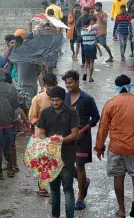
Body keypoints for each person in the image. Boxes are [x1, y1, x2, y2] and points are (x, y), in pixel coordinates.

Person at [94, 75, 134, 218]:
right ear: (130, 85)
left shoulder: (110, 104)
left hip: (117, 147)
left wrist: (99, 147)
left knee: (118, 177)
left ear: (116, 87)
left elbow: (103, 128)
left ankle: (121, 210)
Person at [36, 86, 80, 218]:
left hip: (67, 158)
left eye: (58, 100)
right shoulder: (45, 112)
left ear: (63, 100)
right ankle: (55, 215)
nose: (55, 103)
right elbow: (41, 132)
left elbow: (75, 134)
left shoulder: (72, 112)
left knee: (68, 190)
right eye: (53, 100)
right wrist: (48, 140)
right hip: (50, 158)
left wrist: (60, 141)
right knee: (54, 190)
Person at [62, 70, 100, 211]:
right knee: (66, 164)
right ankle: (84, 181)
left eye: (70, 82)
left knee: (80, 166)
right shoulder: (64, 98)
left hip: (82, 139)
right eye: (66, 83)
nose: (68, 85)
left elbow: (96, 117)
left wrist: (82, 130)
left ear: (77, 82)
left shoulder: (87, 99)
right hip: (67, 138)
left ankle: (80, 198)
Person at [29, 73, 58, 197]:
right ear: (44, 85)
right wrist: (42, 125)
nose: (50, 88)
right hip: (41, 134)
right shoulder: (38, 99)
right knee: (43, 162)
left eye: (53, 85)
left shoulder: (61, 98)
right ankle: (42, 187)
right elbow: (32, 117)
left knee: (56, 161)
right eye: (48, 86)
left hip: (56, 135)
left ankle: (54, 185)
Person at [80, 18, 102, 82]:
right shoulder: (94, 31)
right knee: (91, 62)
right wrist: (100, 50)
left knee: (86, 61)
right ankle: (90, 78)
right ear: (89, 23)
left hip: (85, 47)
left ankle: (85, 73)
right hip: (92, 47)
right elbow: (95, 40)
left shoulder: (82, 31)